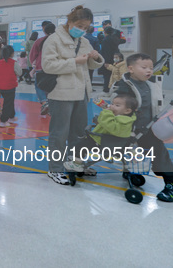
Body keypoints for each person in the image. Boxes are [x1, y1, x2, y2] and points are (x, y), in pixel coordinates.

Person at [42, 5, 104, 185]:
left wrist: (95, 57)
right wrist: (74, 61)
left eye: (86, 27)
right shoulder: (54, 40)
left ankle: (75, 164)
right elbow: (48, 65)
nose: (82, 30)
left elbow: (90, 66)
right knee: (59, 133)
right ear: (69, 22)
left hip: (82, 92)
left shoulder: (84, 41)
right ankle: (55, 169)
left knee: (80, 133)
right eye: (80, 25)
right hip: (61, 93)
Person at [113, 53, 173, 202]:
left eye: (151, 68)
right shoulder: (123, 87)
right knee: (131, 156)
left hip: (150, 130)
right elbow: (117, 109)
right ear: (131, 68)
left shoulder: (151, 83)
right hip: (131, 131)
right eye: (144, 67)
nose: (149, 71)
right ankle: (132, 173)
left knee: (160, 157)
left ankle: (171, 185)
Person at [63, 94, 137, 172]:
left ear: (127, 111)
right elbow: (104, 122)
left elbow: (109, 125)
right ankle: (80, 163)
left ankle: (77, 164)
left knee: (79, 147)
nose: (111, 106)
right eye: (112, 104)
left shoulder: (123, 121)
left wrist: (106, 112)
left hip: (103, 142)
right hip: (110, 142)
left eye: (117, 105)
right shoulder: (125, 119)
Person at [29, 22, 56, 116]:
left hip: (41, 67)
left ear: (44, 31)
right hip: (55, 67)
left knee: (39, 86)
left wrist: (34, 65)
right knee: (53, 87)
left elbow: (32, 55)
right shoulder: (58, 40)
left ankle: (44, 103)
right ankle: (52, 105)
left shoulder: (40, 41)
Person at [0, 45, 21, 127]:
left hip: (0, 86)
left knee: (9, 101)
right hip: (10, 86)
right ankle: (3, 121)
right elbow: (20, 72)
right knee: (8, 103)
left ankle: (12, 116)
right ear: (12, 53)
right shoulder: (13, 63)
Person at [99, 26, 122, 93]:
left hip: (108, 59)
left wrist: (105, 61)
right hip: (115, 59)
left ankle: (107, 89)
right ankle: (112, 88)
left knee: (107, 76)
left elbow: (106, 51)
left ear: (105, 32)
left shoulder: (106, 40)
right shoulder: (115, 38)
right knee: (113, 74)